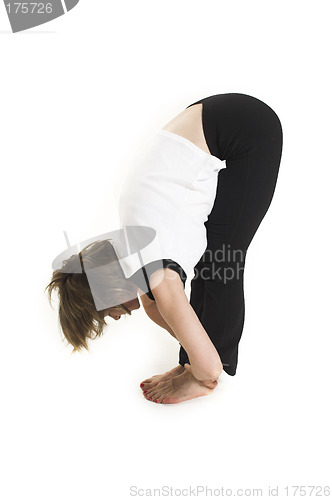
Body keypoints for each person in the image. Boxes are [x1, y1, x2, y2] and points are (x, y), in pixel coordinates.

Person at [45, 93, 283, 405]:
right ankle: (193, 364)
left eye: (107, 312)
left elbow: (164, 303)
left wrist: (204, 368)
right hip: (223, 117)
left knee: (222, 262)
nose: (115, 318)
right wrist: (192, 353)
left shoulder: (156, 267)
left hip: (246, 127)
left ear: (108, 288)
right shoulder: (133, 248)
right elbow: (156, 306)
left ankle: (198, 377)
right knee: (207, 266)